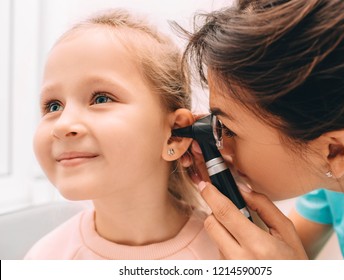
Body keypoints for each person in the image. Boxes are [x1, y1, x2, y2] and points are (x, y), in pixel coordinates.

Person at [180, 0, 344, 259]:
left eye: (229, 129)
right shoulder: (335, 183)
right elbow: (277, 253)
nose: (218, 142)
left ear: (335, 151)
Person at [24, 8, 220, 260]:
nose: (62, 125)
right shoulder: (44, 259)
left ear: (174, 135)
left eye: (101, 98)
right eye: (53, 106)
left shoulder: (231, 255)